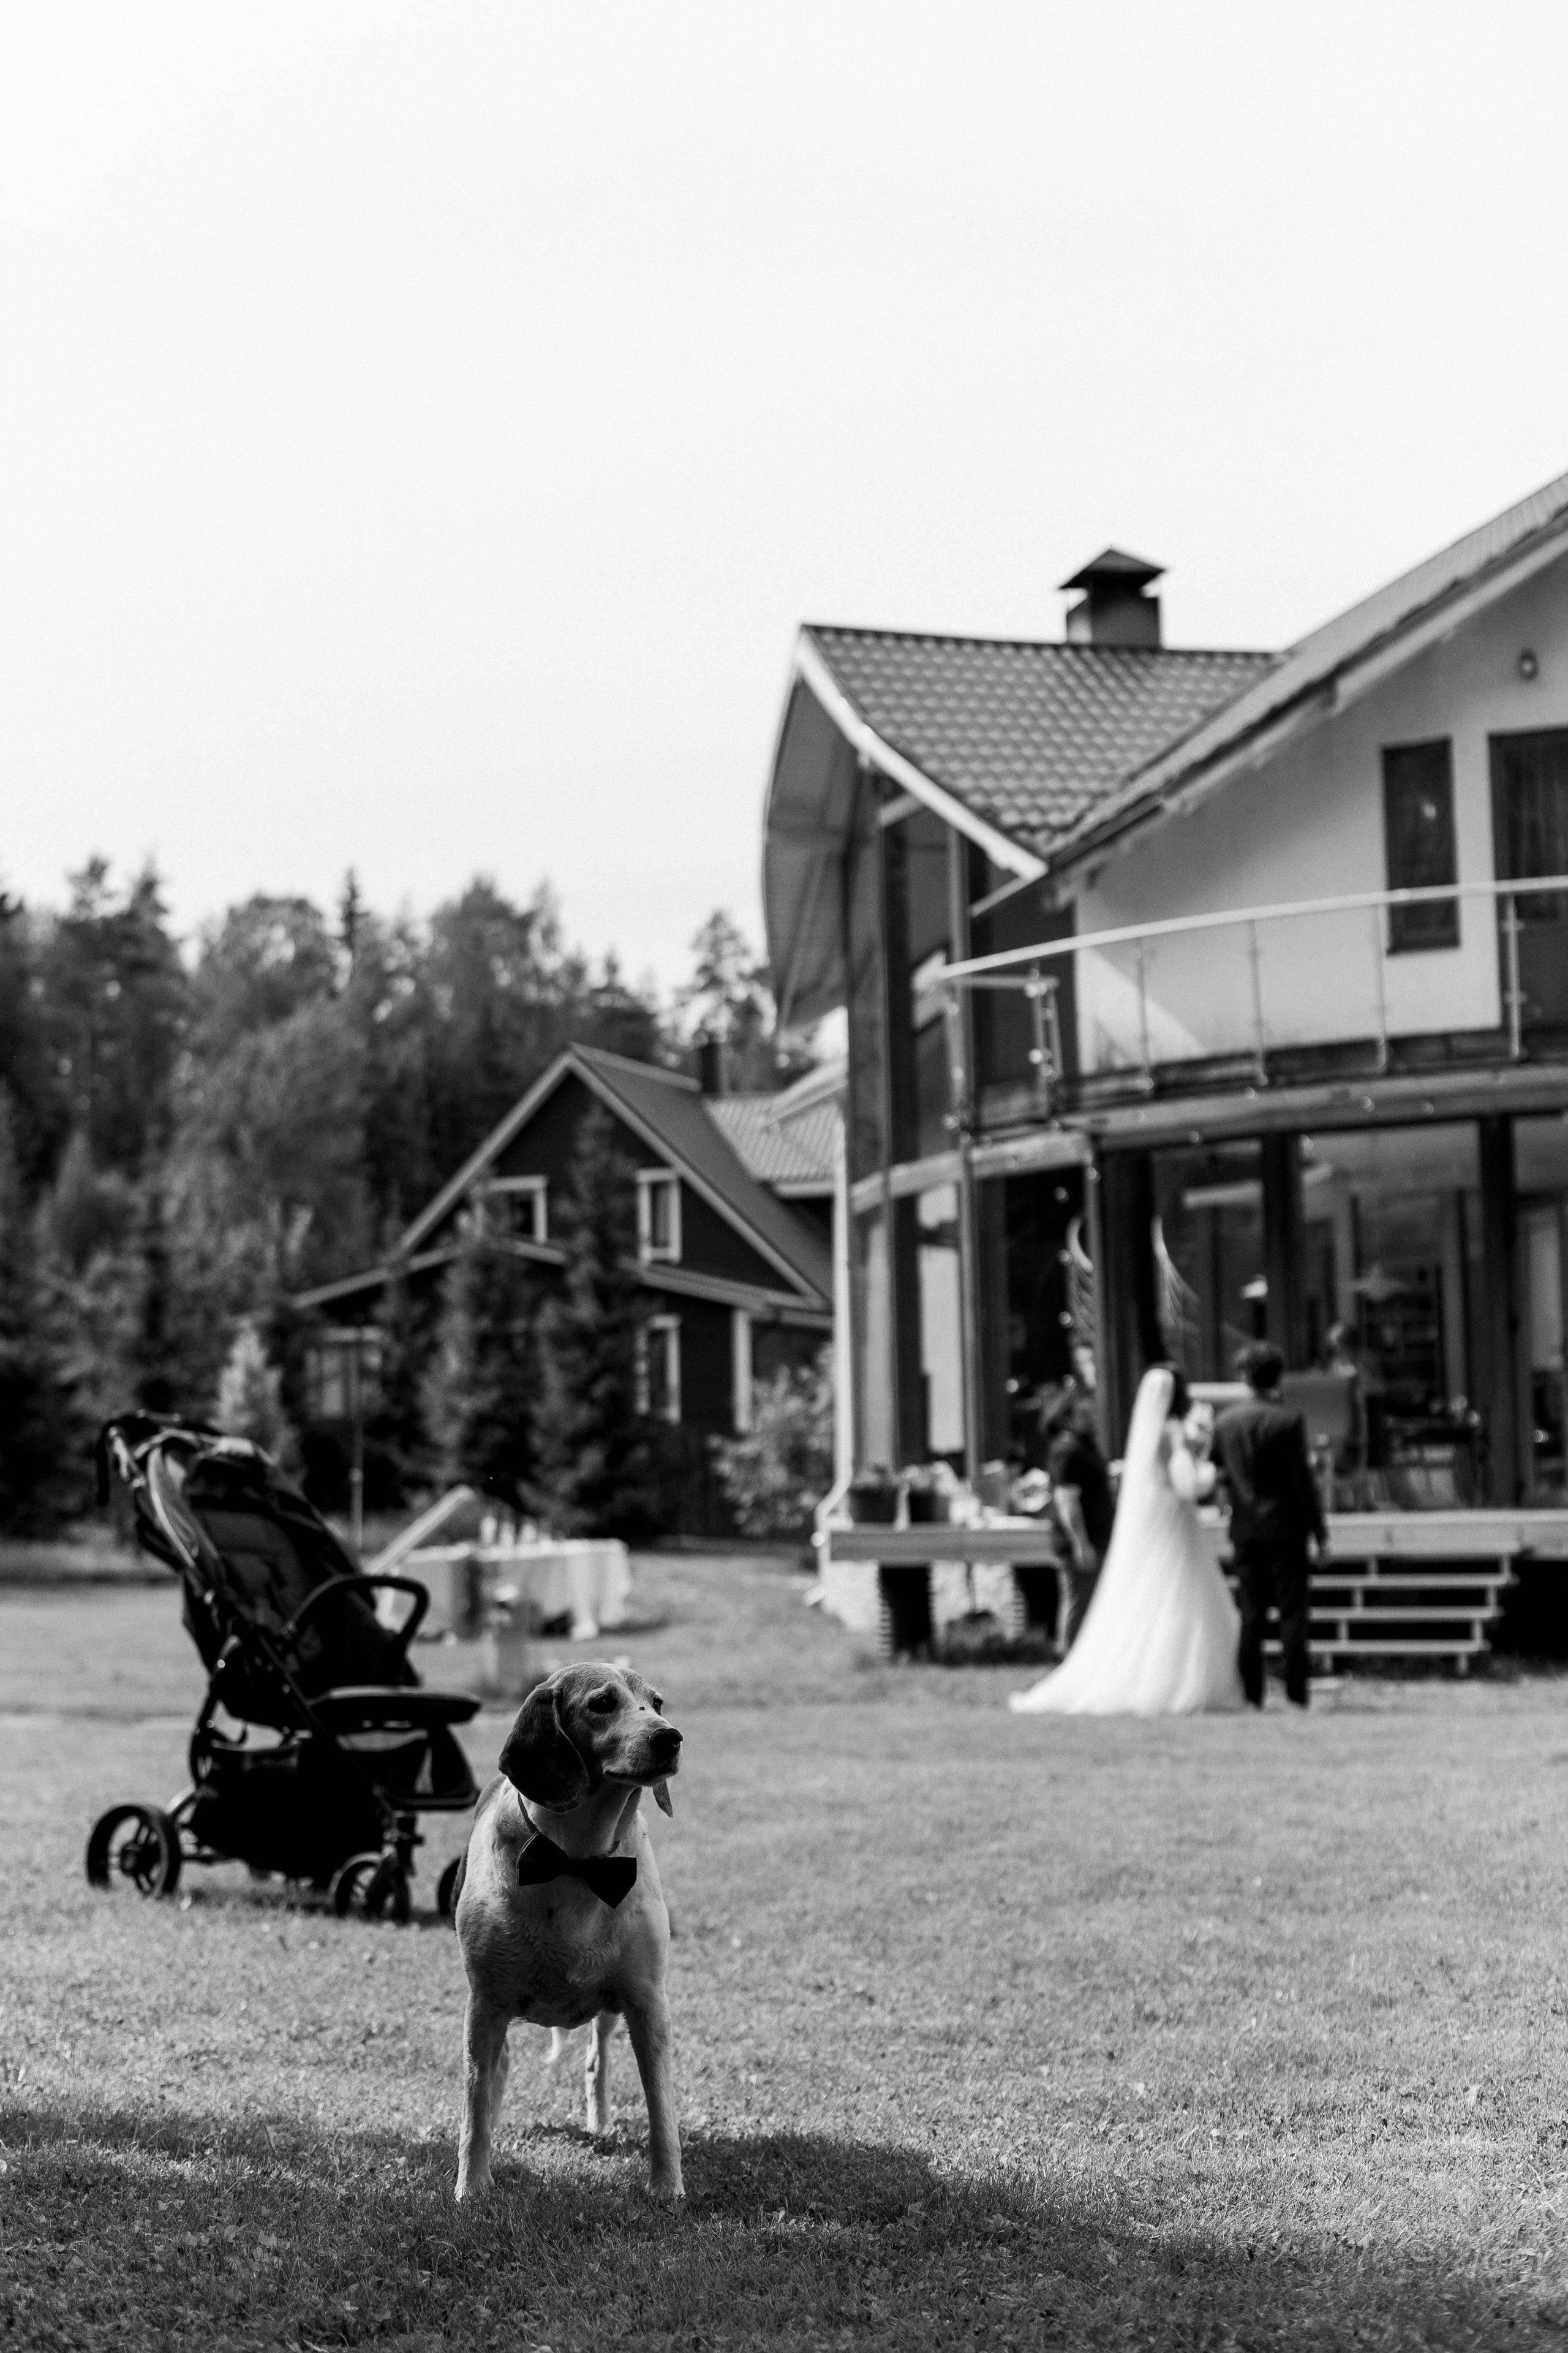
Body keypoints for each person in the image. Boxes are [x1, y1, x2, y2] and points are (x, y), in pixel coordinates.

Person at [1009, 1364, 1244, 1716]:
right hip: (1172, 1527)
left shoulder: (1144, 1435)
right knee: (1175, 1596)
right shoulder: (1171, 1432)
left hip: (1159, 1525)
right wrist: (1213, 1472)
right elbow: (1187, 1484)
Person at [1211, 1341, 1328, 1709]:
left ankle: (1252, 1695)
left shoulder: (1225, 1421)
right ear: (1277, 1376)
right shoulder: (1289, 1419)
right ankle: (1296, 1694)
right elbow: (1303, 1482)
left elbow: (1218, 1473)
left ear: (1244, 1377)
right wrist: (1320, 1533)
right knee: (1293, 1614)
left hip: (1245, 1528)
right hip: (1286, 1526)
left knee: (1251, 1614)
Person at [1040, 1383, 1113, 1654]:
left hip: (1096, 1538)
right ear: (1068, 1418)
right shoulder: (1068, 1450)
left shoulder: (1084, 1447)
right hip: (1082, 1542)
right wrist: (1080, 1543)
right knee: (1078, 1604)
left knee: (1090, 1603)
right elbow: (1067, 1500)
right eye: (1086, 1414)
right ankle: (1068, 1660)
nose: (1093, 1418)